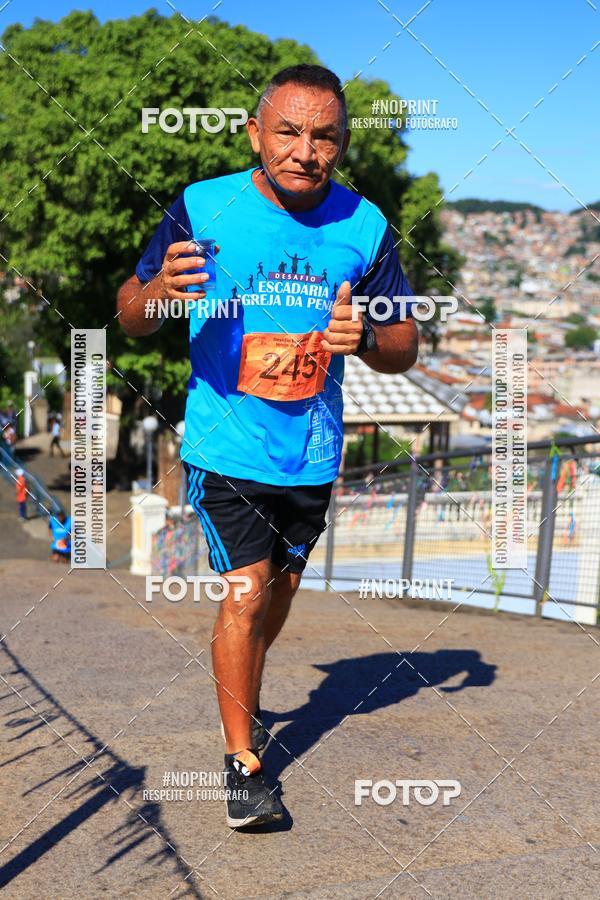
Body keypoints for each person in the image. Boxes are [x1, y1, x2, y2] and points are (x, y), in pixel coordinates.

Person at [117, 64, 418, 829]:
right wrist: (158, 296)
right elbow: (130, 313)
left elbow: (405, 343)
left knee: (277, 593)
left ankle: (244, 677)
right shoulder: (202, 205)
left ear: (342, 144)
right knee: (247, 590)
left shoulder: (366, 226)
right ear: (256, 133)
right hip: (225, 444)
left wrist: (367, 338)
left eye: (324, 136)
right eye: (288, 131)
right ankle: (243, 765)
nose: (305, 151)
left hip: (311, 451)